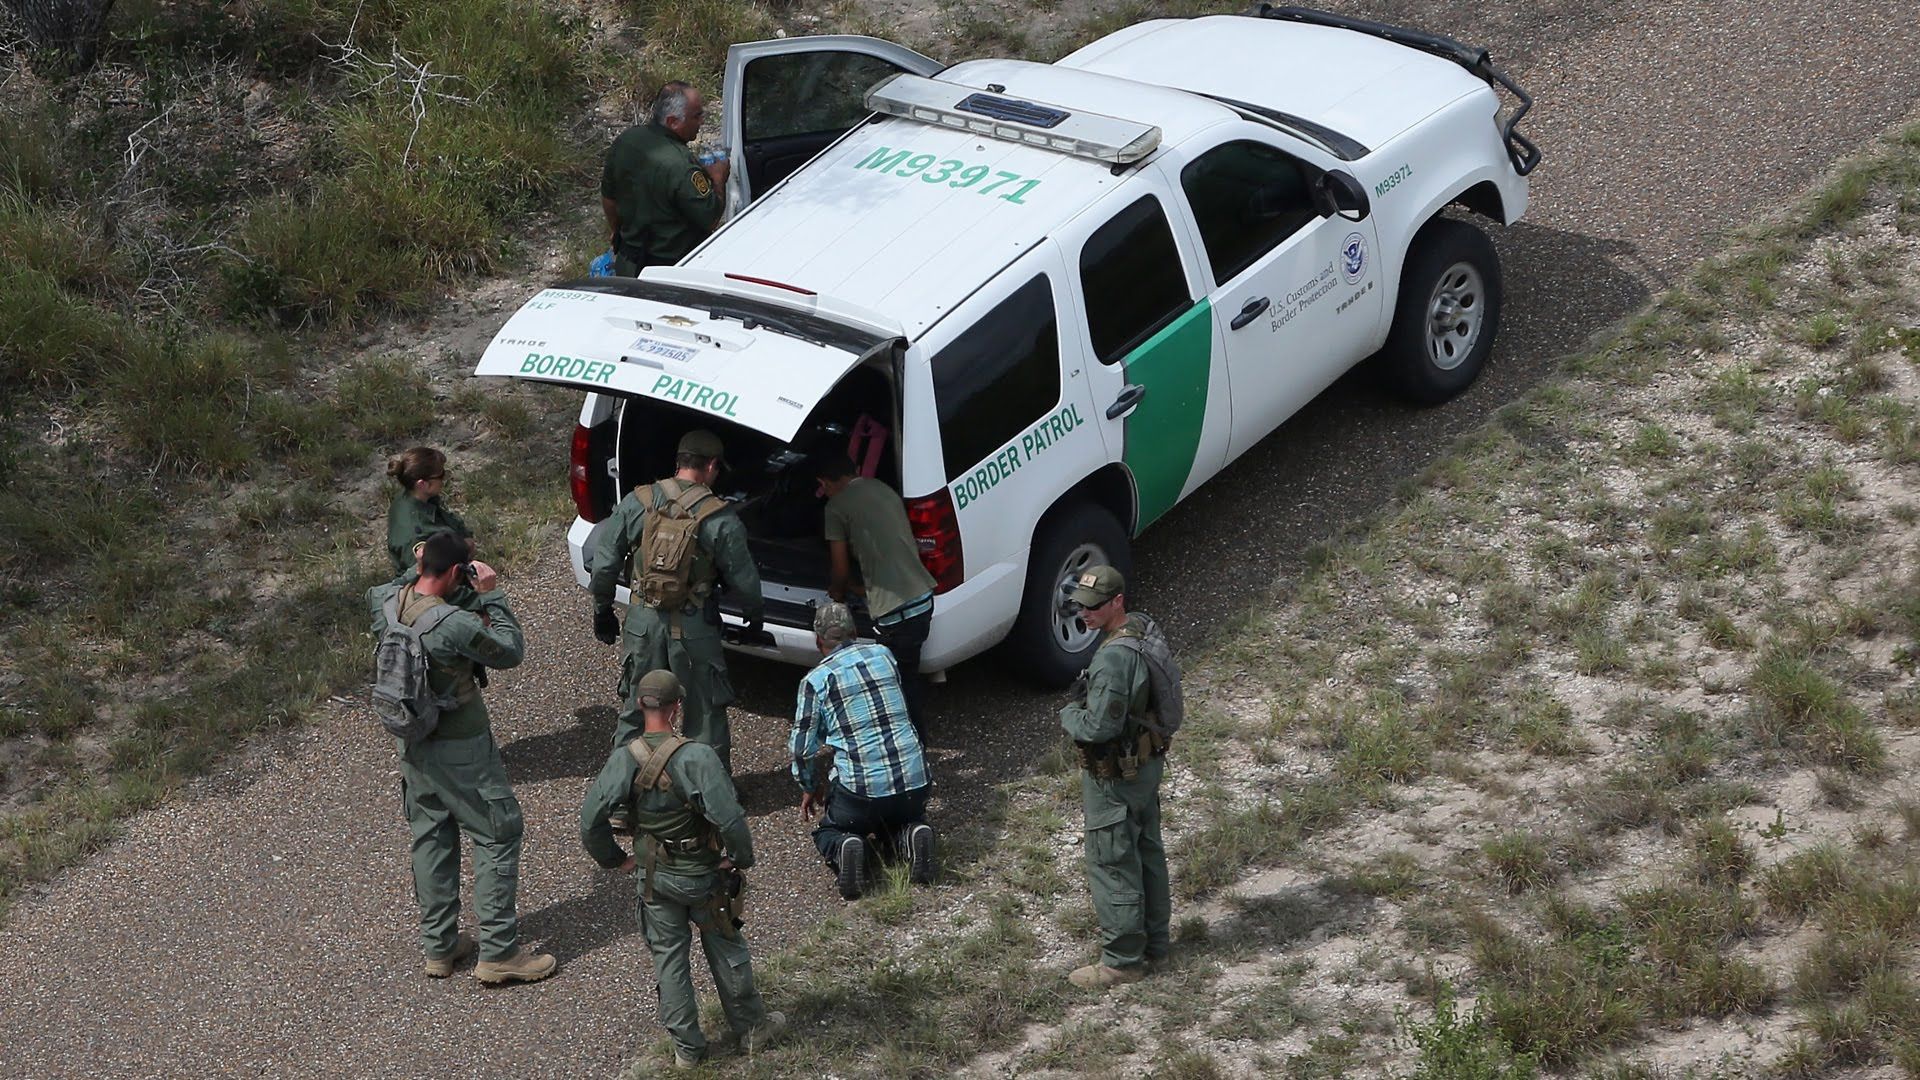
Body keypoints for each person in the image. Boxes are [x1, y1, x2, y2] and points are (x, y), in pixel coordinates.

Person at [366, 530, 556, 985]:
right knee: (497, 832)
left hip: (412, 741)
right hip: (462, 745)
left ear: (419, 565)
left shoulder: (385, 601)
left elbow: (395, 581)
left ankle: (440, 946)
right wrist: (492, 596)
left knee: (431, 835)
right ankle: (499, 952)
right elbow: (509, 651)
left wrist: (424, 559)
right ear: (456, 573)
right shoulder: (451, 623)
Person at [580, 669, 785, 1069]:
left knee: (669, 961)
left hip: (654, 878)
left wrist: (617, 860)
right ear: (677, 707)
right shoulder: (699, 756)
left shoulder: (623, 758)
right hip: (702, 874)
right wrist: (739, 858)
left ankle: (688, 1050)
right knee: (726, 949)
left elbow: (590, 822)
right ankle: (751, 1029)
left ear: (640, 705)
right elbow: (730, 820)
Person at [590, 429, 763, 770]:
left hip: (643, 621)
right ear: (712, 465)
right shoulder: (720, 517)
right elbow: (744, 579)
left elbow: (605, 564)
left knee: (638, 705)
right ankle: (708, 793)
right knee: (705, 710)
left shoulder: (636, 502)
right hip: (695, 624)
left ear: (679, 461)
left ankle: (622, 793)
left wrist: (602, 609)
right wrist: (754, 615)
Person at [1058, 565, 1172, 990]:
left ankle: (1123, 960)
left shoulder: (1111, 658)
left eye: (1093, 607)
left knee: (1112, 859)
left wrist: (1070, 715)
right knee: (1147, 852)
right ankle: (1157, 946)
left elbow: (1100, 726)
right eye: (1081, 606)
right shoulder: (1141, 631)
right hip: (1145, 766)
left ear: (1117, 601)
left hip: (1115, 777)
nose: (1084, 614)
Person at [791, 602, 936, 901]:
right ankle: (910, 835)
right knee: (894, 820)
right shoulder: (885, 656)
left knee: (829, 830)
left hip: (860, 796)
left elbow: (802, 749)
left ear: (819, 643)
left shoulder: (816, 681)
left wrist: (808, 785)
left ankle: (844, 848)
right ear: (856, 632)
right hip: (915, 782)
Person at [812, 453, 937, 734]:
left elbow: (840, 568)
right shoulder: (882, 487)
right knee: (908, 679)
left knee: (896, 691)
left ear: (825, 482)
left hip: (895, 616)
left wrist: (837, 594)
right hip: (923, 599)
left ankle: (910, 750)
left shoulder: (835, 508)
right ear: (854, 470)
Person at [602, 81, 728, 276]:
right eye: (696, 116)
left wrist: (618, 231)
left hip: (628, 267)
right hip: (671, 272)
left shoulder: (626, 140)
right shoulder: (681, 165)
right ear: (672, 122)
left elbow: (609, 199)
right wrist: (719, 178)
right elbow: (711, 218)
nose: (702, 121)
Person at [386, 446, 472, 578]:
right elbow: (425, 577)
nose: (444, 479)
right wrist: (463, 548)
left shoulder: (416, 497)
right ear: (422, 484)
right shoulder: (414, 532)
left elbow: (449, 520)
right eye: (441, 475)